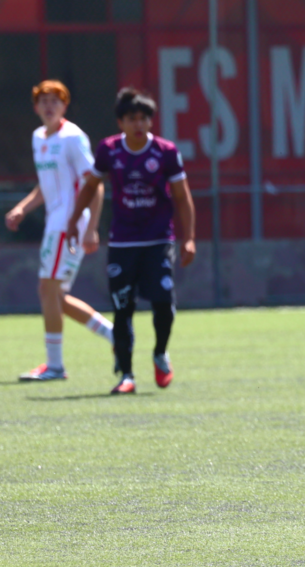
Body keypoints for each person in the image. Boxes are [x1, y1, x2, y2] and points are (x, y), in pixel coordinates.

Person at [66, 87, 196, 395]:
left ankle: (160, 353)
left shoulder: (165, 152)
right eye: (131, 119)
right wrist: (74, 220)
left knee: (164, 303)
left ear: (150, 122)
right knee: (122, 308)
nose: (138, 124)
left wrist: (188, 239)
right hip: (123, 242)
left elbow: (182, 197)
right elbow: (90, 186)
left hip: (158, 239)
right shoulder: (109, 151)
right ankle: (126, 375)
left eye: (143, 119)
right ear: (121, 122)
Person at [6, 80, 114, 381]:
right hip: (56, 222)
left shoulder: (72, 137)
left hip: (71, 223)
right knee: (57, 296)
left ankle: (55, 367)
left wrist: (91, 228)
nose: (49, 106)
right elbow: (45, 184)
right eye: (44, 101)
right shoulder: (39, 137)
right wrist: (23, 208)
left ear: (65, 106)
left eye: (56, 100)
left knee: (47, 290)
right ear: (36, 107)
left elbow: (95, 184)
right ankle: (115, 336)